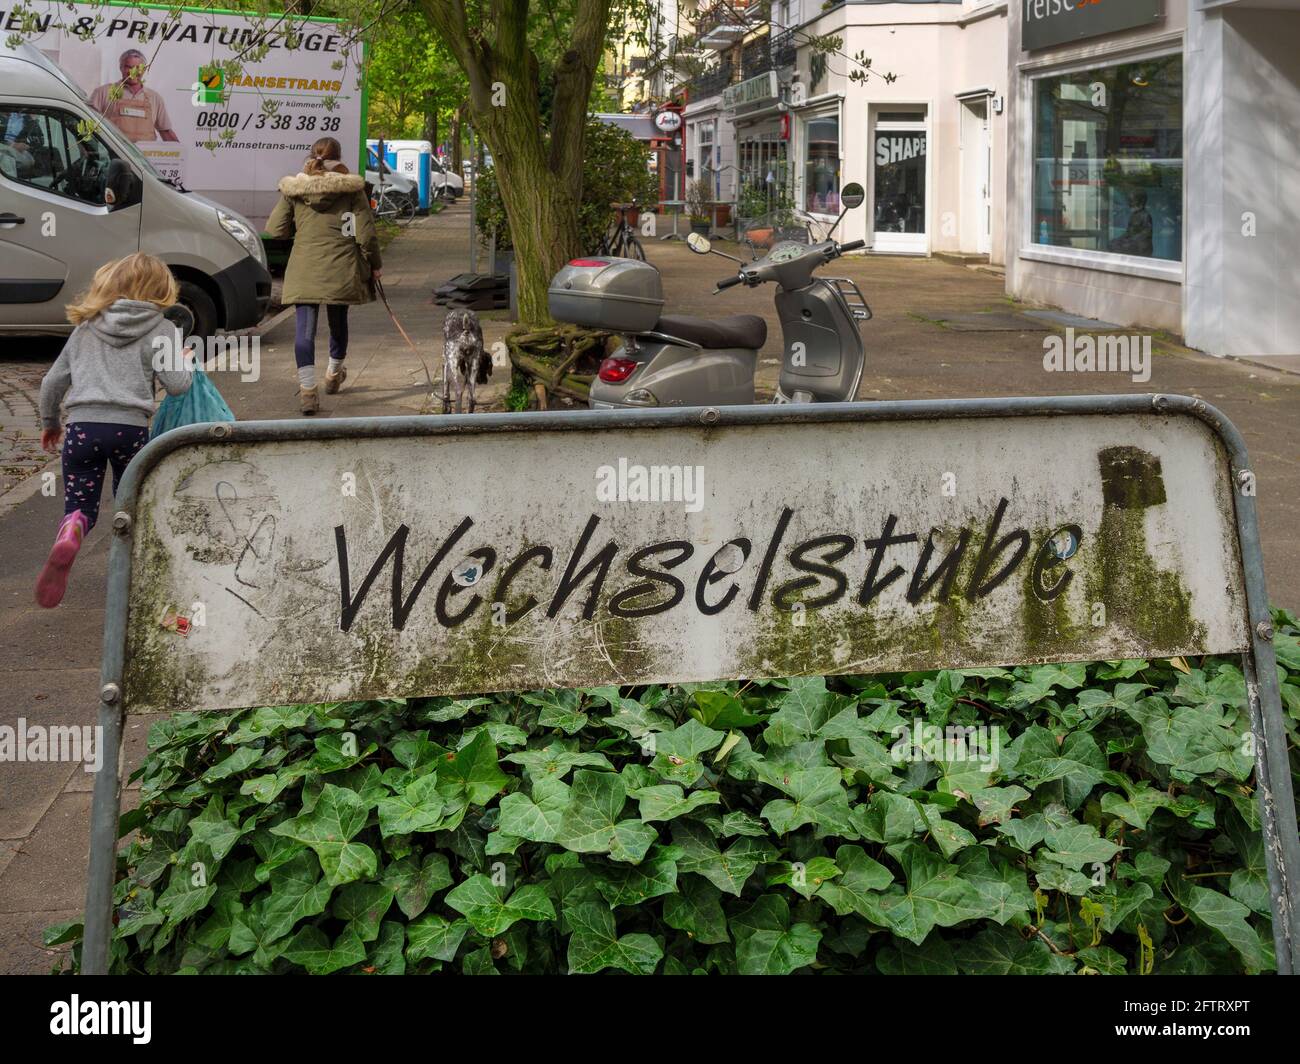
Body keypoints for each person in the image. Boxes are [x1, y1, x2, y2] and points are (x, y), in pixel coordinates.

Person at [35, 253, 193, 608]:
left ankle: (73, 528)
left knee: (80, 504)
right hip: (129, 432)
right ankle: (131, 574)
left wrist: (50, 423)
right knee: (130, 503)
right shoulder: (162, 329)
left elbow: (51, 383)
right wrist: (183, 359)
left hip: (82, 430)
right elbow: (179, 385)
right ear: (161, 290)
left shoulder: (86, 327)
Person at [265, 136, 382, 415]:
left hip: (304, 266)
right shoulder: (352, 190)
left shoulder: (294, 189)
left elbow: (276, 229)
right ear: (339, 158)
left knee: (304, 330)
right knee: (338, 321)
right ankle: (333, 374)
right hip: (341, 266)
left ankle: (308, 392)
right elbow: (365, 234)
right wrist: (374, 263)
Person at [88, 49, 179, 144]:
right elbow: (89, 126)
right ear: (121, 68)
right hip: (114, 157)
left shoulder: (155, 98)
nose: (133, 72)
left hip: (145, 157)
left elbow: (166, 131)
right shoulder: (102, 93)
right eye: (128, 67)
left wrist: (180, 154)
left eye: (138, 67)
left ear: (144, 69)